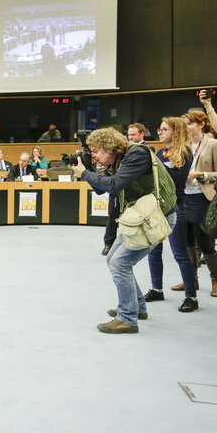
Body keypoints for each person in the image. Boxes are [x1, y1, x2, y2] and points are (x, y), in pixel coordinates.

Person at [71, 127, 177, 334]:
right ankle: (137, 308)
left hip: (156, 219)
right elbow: (102, 188)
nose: (94, 155)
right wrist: (93, 168)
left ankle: (127, 318)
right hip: (141, 218)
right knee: (113, 258)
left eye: (97, 151)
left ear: (110, 147)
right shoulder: (120, 159)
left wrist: (84, 173)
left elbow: (114, 185)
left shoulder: (136, 154)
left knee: (120, 263)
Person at [169, 111, 217, 297]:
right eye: (184, 124)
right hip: (183, 198)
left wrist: (200, 175)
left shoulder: (214, 144)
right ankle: (190, 279)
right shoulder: (181, 146)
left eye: (189, 124)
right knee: (187, 242)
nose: (186, 128)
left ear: (201, 125)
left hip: (203, 198)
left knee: (205, 242)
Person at [145, 117, 197, 311]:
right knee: (154, 251)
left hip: (177, 208)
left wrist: (157, 168)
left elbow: (178, 179)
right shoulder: (159, 152)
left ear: (176, 131)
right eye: (159, 129)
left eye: (164, 129)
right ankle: (156, 289)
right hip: (158, 208)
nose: (160, 132)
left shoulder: (184, 152)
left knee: (180, 254)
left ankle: (191, 296)